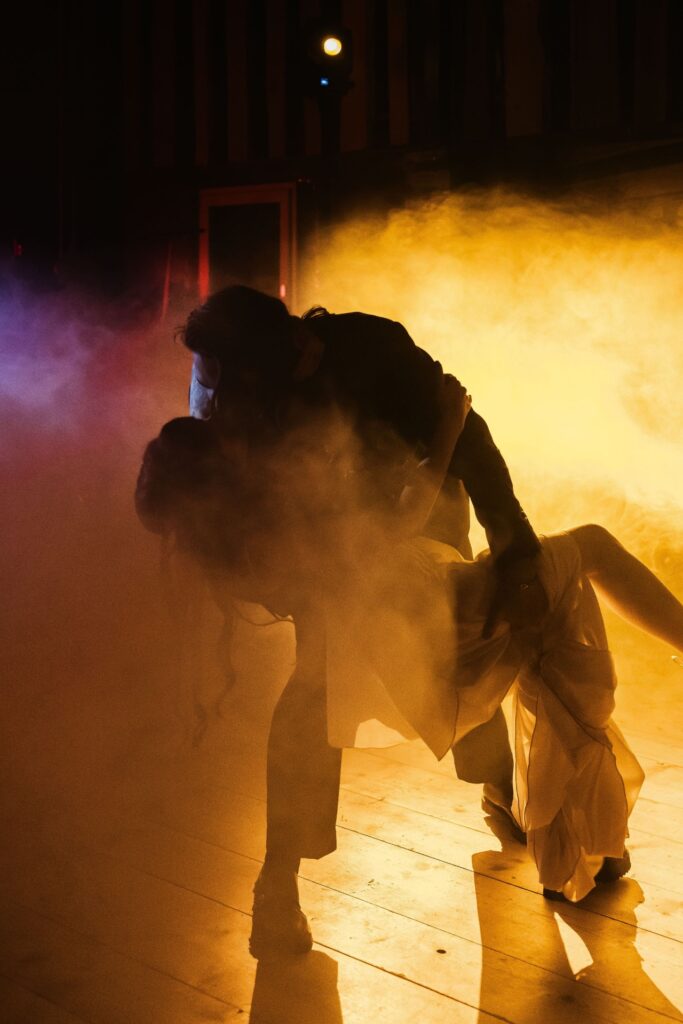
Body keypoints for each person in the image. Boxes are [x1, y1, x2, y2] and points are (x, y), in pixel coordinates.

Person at [136, 396, 683, 956]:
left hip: (391, 655)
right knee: (584, 551)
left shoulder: (237, 553)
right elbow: (394, 525)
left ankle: (573, 829)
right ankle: (575, 827)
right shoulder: (282, 525)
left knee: (532, 647)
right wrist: (445, 432)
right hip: (434, 619)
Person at [183, 287, 540, 832]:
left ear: (287, 346)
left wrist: (516, 549)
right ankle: (282, 866)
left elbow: (462, 428)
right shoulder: (248, 394)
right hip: (328, 552)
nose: (230, 399)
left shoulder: (372, 346)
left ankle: (497, 782)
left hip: (427, 518)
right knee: (316, 686)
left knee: (453, 661)